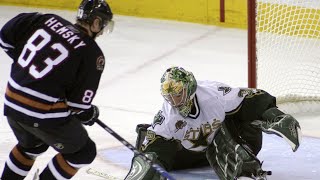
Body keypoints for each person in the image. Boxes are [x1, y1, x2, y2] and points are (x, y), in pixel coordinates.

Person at [0, 0, 114, 179]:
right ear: (96, 22)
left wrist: (26, 69)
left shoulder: (47, 19)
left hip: (11, 101)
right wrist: (89, 113)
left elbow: (5, 36)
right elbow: (78, 106)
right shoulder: (92, 53)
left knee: (32, 146)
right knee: (83, 152)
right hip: (39, 113)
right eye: (103, 24)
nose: (101, 30)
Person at [125, 66, 302, 180]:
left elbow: (250, 99)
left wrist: (276, 115)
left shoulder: (213, 94)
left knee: (233, 121)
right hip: (191, 155)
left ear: (190, 88)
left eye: (177, 93)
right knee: (155, 161)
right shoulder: (168, 116)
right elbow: (153, 147)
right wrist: (145, 164)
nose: (174, 100)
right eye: (169, 96)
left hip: (222, 141)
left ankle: (243, 166)